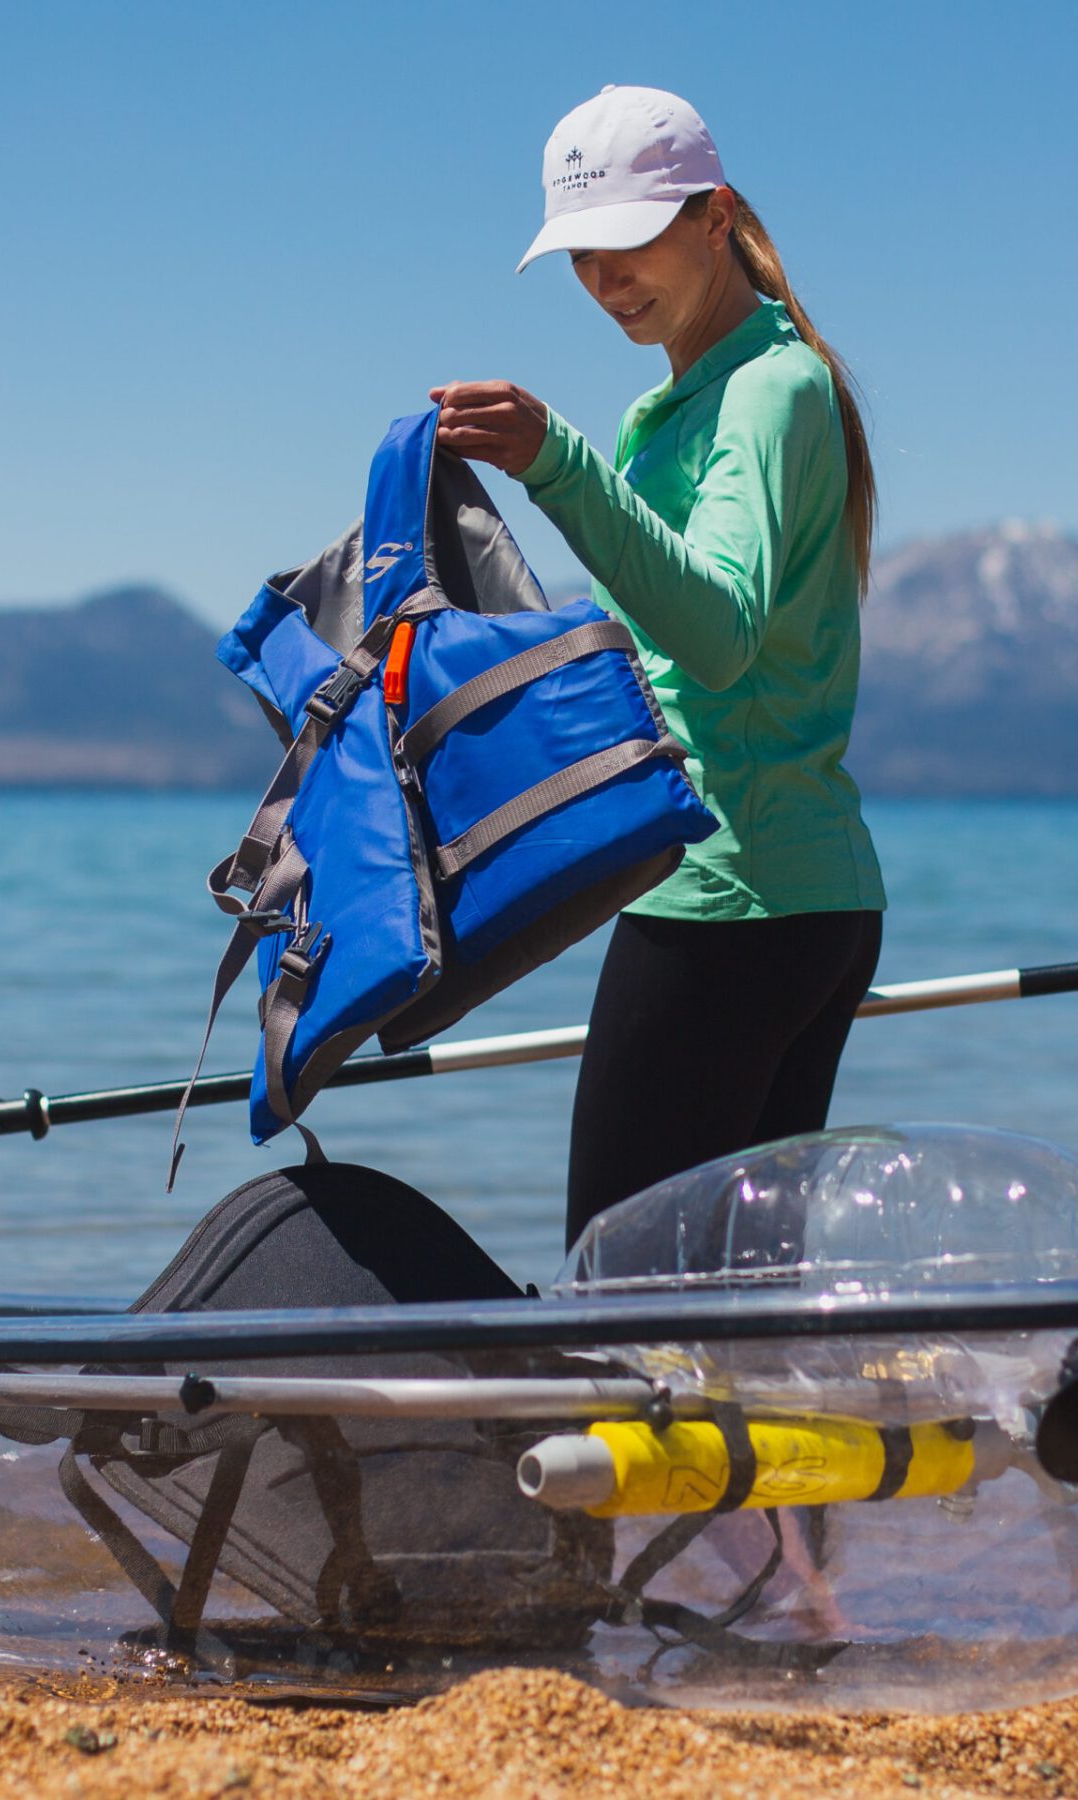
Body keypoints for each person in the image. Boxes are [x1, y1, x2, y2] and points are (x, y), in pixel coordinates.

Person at [433, 85, 886, 1246]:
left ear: (713, 215)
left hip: (731, 908)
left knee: (620, 1288)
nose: (606, 279)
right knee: (731, 1306)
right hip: (793, 902)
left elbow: (723, 636)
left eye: (629, 241)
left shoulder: (769, 388)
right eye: (582, 255)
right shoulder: (681, 408)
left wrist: (558, 465)